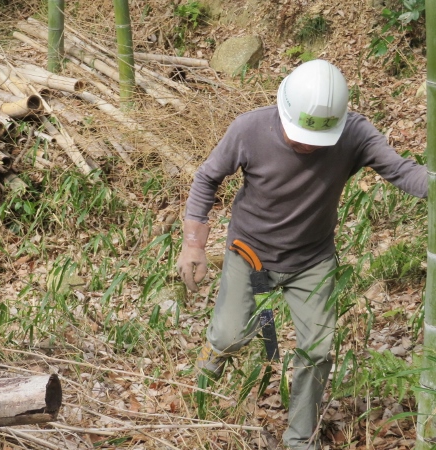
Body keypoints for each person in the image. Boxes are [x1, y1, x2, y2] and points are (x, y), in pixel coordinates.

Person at [176, 59, 428, 450]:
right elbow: (208, 176)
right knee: (229, 337)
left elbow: (401, 170)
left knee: (317, 351)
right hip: (251, 253)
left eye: (318, 139)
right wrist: (194, 242)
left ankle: (299, 439)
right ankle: (200, 392)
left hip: (312, 260)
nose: (307, 146)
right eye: (300, 136)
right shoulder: (250, 129)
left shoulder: (355, 134)